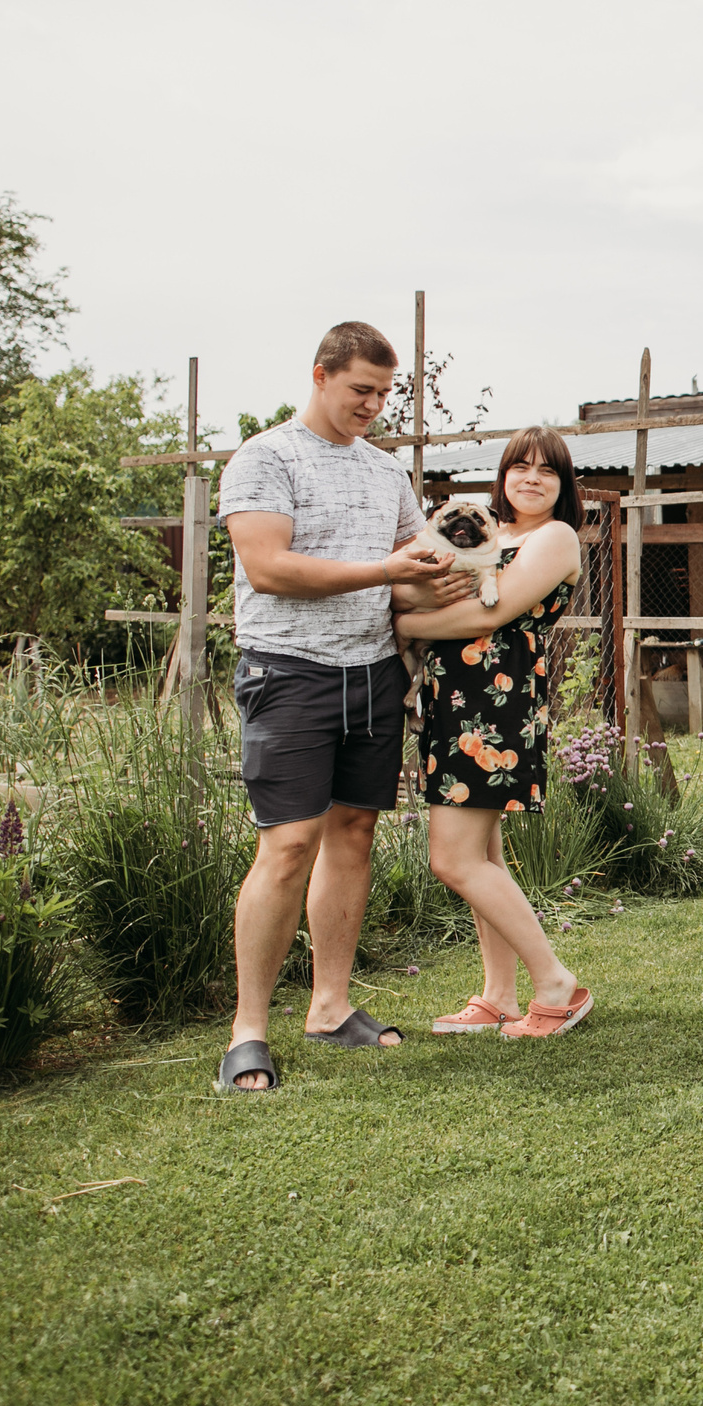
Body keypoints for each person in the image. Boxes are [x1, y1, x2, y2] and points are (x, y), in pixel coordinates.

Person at [216, 321, 468, 1094]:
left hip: (371, 672)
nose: (374, 406)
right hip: (289, 672)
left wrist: (459, 580)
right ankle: (247, 1031)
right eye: (362, 389)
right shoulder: (266, 457)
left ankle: (329, 1006)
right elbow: (269, 568)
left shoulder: (385, 472)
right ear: (321, 374)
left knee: (352, 834)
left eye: (385, 394)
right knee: (288, 844)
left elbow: (402, 572)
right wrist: (388, 569)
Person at [399, 427, 596, 1040]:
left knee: (452, 859)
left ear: (563, 487)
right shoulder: (490, 531)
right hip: (452, 701)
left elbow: (497, 609)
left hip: (495, 702)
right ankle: (498, 994)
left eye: (547, 470)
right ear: (502, 475)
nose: (531, 478)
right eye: (520, 467)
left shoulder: (555, 536)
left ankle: (557, 983)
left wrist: (408, 622)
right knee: (482, 854)